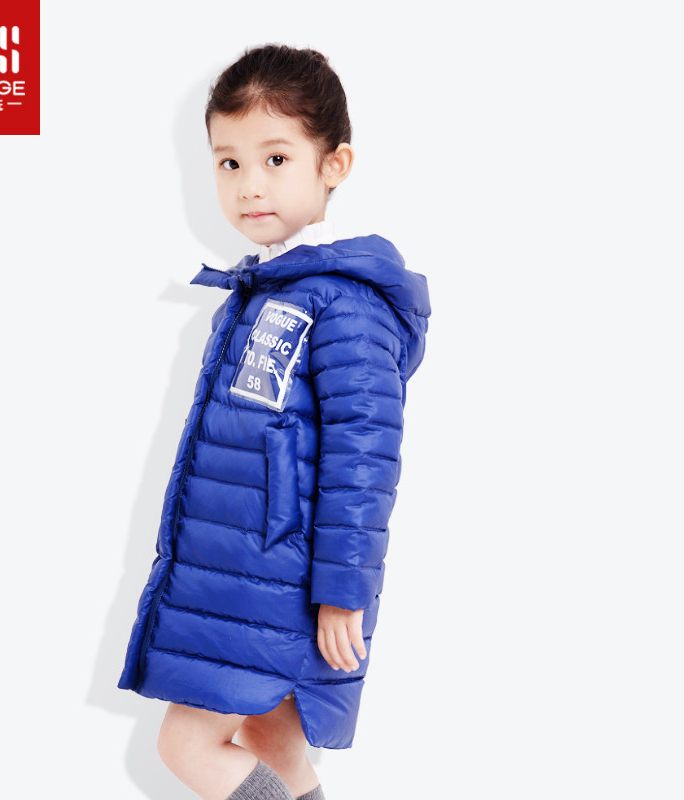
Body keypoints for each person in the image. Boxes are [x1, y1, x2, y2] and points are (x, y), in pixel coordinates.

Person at [117, 44, 431, 800]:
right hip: (244, 574)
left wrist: (343, 590)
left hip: (278, 583)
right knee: (274, 745)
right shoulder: (266, 290)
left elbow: (364, 459)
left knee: (186, 745)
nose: (249, 184)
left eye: (276, 158)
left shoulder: (344, 303)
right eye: (229, 162)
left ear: (334, 164)